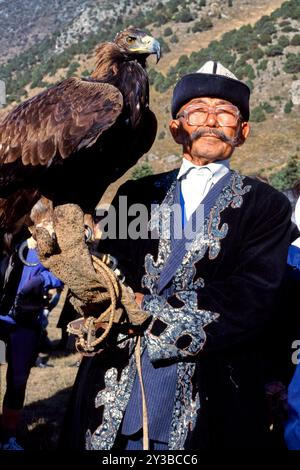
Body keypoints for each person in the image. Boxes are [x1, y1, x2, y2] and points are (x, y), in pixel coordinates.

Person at [62, 61, 292, 450]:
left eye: (226, 113)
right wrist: (89, 292)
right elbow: (109, 269)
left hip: (212, 388)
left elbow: (253, 294)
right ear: (175, 128)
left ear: (244, 132)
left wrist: (147, 308)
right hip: (117, 384)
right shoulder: (136, 195)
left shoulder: (266, 206)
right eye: (198, 110)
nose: (211, 120)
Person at [0, 227, 62, 450]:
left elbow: (63, 272)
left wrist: (43, 280)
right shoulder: (9, 229)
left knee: (17, 380)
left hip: (27, 319)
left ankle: (7, 437)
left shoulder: (53, 238)